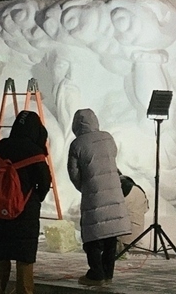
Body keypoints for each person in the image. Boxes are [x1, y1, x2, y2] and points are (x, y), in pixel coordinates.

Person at [0, 110, 51, 294]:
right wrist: (35, 197)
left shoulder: (1, 147)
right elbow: (44, 181)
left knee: (1, 255)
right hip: (26, 210)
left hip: (2, 209)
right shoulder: (35, 152)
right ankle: (24, 291)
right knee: (24, 257)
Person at [67, 108, 131, 286]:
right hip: (114, 191)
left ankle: (96, 274)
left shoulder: (77, 144)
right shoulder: (108, 138)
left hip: (93, 194)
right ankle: (108, 273)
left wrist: (84, 187)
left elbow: (74, 173)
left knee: (92, 236)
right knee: (110, 234)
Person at [117, 171, 149, 251]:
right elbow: (146, 209)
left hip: (122, 236)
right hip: (138, 235)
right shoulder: (139, 189)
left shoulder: (117, 189)